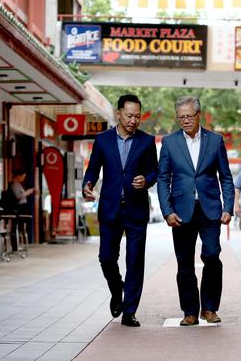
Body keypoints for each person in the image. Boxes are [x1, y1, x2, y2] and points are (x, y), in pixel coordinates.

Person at [157, 96, 235, 326]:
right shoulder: (169, 143)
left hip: (210, 209)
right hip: (181, 211)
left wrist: (228, 207)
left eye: (189, 116)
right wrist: (166, 211)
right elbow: (163, 179)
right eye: (181, 117)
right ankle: (190, 311)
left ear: (199, 114)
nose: (185, 121)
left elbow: (226, 177)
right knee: (184, 263)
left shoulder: (215, 140)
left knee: (212, 256)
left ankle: (209, 308)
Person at [82, 94, 158, 327]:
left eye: (137, 116)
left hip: (136, 210)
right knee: (106, 258)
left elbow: (154, 171)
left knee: (135, 261)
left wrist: (145, 180)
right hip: (110, 208)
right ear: (118, 114)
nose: (134, 120)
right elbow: (93, 169)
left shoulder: (146, 141)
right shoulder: (103, 140)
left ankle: (129, 311)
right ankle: (117, 290)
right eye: (129, 115)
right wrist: (88, 183)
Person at [6, 168, 36, 253]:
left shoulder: (18, 184)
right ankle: (15, 246)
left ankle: (17, 245)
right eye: (23, 176)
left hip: (21, 207)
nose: (23, 178)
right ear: (18, 176)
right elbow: (18, 196)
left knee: (19, 227)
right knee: (16, 227)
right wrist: (28, 192)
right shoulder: (14, 184)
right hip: (18, 208)